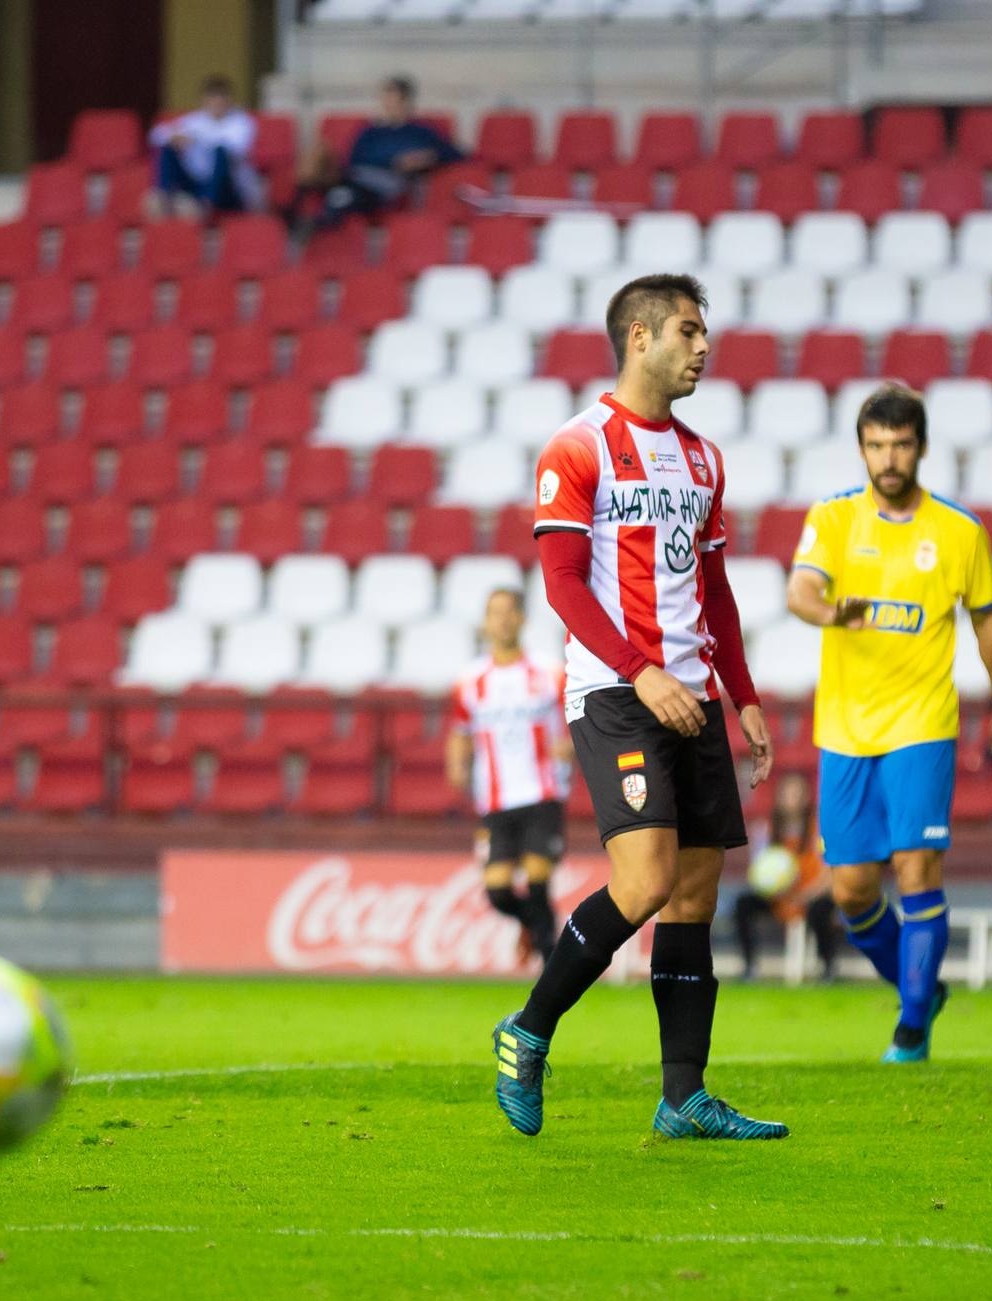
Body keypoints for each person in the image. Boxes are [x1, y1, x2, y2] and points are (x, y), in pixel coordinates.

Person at [491, 273, 783, 1143]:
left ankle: (682, 1095)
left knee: (694, 894)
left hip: (692, 693)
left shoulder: (702, 458)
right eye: (688, 331)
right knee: (647, 880)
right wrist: (638, 667)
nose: (703, 347)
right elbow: (561, 582)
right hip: (616, 692)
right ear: (640, 337)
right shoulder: (577, 446)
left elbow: (716, 590)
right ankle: (527, 1032)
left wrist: (744, 694)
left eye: (705, 333)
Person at [785, 384, 992, 1064]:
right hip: (843, 727)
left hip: (922, 723)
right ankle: (918, 987)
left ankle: (911, 1027)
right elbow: (799, 590)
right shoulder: (833, 519)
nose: (887, 458)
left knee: (916, 866)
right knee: (851, 890)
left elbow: (988, 624)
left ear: (919, 447)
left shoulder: (958, 530)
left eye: (899, 444)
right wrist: (831, 612)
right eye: (875, 444)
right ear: (860, 448)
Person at [446, 588, 572, 960]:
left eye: (507, 611)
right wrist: (457, 764)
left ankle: (552, 963)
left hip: (541, 792)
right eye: (493, 612)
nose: (501, 619)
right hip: (495, 798)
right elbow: (460, 730)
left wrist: (571, 745)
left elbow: (578, 716)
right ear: (485, 622)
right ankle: (535, 927)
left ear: (521, 618)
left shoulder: (549, 673)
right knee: (498, 891)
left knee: (536, 882)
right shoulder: (471, 680)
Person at [288, 75, 463, 240]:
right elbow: (355, 158)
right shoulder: (370, 131)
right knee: (319, 151)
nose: (387, 103)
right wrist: (390, 160)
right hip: (356, 175)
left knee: (344, 194)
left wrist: (428, 157)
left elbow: (455, 154)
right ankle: (297, 211)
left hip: (386, 183)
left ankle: (321, 218)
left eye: (392, 98)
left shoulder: (420, 131)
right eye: (385, 98)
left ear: (405, 100)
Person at [727, 773, 837, 984]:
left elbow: (829, 871)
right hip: (779, 896)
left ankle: (827, 968)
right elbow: (758, 870)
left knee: (822, 909)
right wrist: (773, 890)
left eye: (797, 794)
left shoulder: (819, 829)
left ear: (806, 798)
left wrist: (806, 895)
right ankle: (749, 966)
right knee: (743, 904)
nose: (791, 799)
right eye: (787, 794)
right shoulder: (767, 830)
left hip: (811, 894)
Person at [149, 75, 260, 217]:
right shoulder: (195, 120)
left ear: (229, 100)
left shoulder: (242, 122)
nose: (217, 103)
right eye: (213, 98)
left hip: (229, 187)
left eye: (221, 98)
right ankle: (163, 195)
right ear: (205, 100)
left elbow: (236, 149)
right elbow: (156, 135)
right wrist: (175, 138)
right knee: (168, 148)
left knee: (220, 152)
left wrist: (196, 139)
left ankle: (206, 205)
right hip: (197, 181)